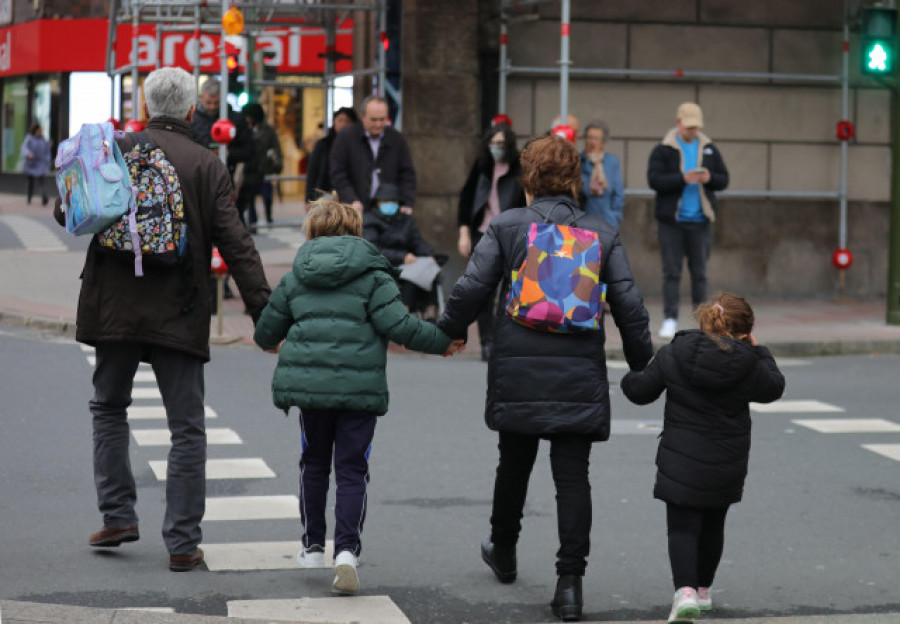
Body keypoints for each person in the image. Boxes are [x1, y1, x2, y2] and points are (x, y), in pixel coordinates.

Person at [53, 66, 271, 572]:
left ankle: (118, 515)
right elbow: (236, 244)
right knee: (187, 429)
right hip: (181, 306)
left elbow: (69, 214)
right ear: (193, 111)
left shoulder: (115, 150)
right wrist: (264, 313)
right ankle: (181, 542)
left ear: (146, 108)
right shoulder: (207, 165)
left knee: (109, 408)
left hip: (114, 306)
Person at [437, 134, 654, 622]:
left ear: (527, 179)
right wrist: (644, 367)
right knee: (572, 477)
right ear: (574, 179)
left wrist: (446, 334)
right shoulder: (600, 231)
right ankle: (570, 583)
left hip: (518, 365)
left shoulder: (508, 226)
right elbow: (629, 307)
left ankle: (505, 550)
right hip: (579, 371)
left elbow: (472, 287)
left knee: (513, 463)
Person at [253, 198, 461, 595]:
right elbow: (400, 326)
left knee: (313, 462)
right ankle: (346, 551)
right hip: (359, 390)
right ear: (355, 231)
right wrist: (443, 342)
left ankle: (313, 545)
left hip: (312, 391)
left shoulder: (297, 275)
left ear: (312, 231)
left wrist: (273, 340)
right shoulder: (374, 275)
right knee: (352, 469)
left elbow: (266, 332)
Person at [620, 293, 784, 623]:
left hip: (681, 460)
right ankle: (704, 590)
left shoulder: (674, 352)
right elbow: (773, 388)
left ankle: (684, 593)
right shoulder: (748, 363)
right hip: (726, 462)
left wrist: (629, 376)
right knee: (713, 526)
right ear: (744, 333)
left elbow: (639, 391)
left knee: (682, 528)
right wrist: (759, 351)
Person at [648, 102, 729, 340]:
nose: (693, 131)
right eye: (689, 126)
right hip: (671, 222)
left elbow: (724, 179)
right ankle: (670, 318)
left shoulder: (709, 148)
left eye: (696, 127)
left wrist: (709, 177)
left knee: (700, 273)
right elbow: (654, 180)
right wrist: (682, 178)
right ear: (678, 123)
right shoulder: (664, 149)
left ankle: (703, 320)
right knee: (671, 272)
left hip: (700, 221)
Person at [456, 121, 525, 360]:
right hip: (482, 234)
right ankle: (486, 342)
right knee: (483, 291)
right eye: (493, 143)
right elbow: (466, 199)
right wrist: (464, 233)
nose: (497, 148)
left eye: (501, 144)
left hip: (509, 235)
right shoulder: (482, 166)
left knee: (508, 291)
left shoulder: (519, 169)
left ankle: (501, 341)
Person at [329, 95, 416, 213]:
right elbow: (338, 173)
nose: (378, 124)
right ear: (362, 117)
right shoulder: (346, 137)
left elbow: (407, 174)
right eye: (374, 120)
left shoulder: (396, 139)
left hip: (389, 210)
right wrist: (351, 199)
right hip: (354, 209)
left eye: (382, 119)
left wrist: (406, 202)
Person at [363, 183, 436, 311]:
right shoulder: (370, 221)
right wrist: (401, 257)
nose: (390, 204)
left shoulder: (405, 220)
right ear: (378, 203)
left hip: (410, 263)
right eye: (386, 201)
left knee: (430, 272)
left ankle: (431, 312)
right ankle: (404, 313)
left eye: (393, 201)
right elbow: (373, 249)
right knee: (410, 279)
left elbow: (417, 241)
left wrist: (428, 254)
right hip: (385, 265)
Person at [238, 102, 283, 232]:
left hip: (264, 168)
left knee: (267, 195)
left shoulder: (268, 130)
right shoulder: (244, 129)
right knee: (249, 198)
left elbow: (276, 148)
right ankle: (253, 223)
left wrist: (278, 163)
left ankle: (268, 217)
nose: (248, 119)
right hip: (249, 169)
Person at [305, 106, 358, 202]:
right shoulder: (323, 144)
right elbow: (313, 172)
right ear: (334, 122)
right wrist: (308, 199)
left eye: (347, 121)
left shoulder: (358, 145)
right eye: (340, 120)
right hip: (325, 194)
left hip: (351, 196)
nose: (343, 124)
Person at [579, 120, 625, 229]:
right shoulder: (579, 160)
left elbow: (618, 192)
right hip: (584, 220)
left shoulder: (612, 161)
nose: (592, 142)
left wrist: (615, 216)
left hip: (608, 220)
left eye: (596, 138)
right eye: (589, 137)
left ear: (603, 141)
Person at [20, 123, 51, 205]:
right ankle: (29, 198)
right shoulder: (29, 138)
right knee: (30, 182)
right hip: (31, 163)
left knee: (42, 181)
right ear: (35, 130)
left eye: (41, 130)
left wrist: (47, 160)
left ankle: (44, 197)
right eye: (38, 130)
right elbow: (24, 148)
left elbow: (47, 152)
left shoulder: (43, 140)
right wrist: (28, 153)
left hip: (40, 163)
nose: (40, 132)